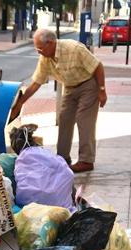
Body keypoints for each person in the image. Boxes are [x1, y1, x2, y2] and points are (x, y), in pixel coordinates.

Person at [11, 28, 106, 173]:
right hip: (70, 87)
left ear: (50, 43)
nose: (38, 51)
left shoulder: (74, 48)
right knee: (64, 119)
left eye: (40, 48)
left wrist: (102, 90)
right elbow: (36, 83)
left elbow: (98, 66)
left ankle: (86, 161)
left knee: (83, 120)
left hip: (88, 85)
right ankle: (62, 158)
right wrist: (20, 103)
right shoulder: (45, 57)